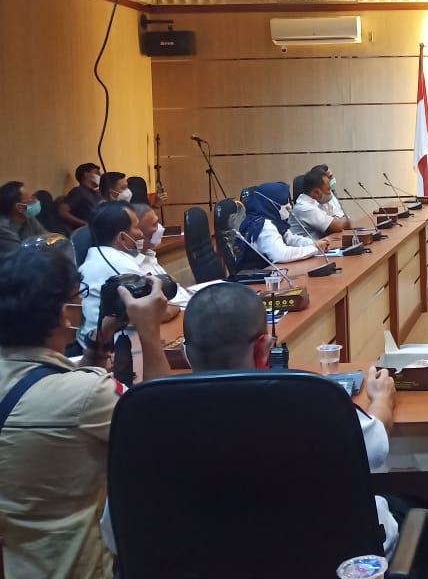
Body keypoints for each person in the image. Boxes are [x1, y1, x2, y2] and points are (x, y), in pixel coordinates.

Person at [97, 281, 403, 559]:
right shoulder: (310, 400)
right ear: (264, 347)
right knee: (405, 507)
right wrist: (380, 400)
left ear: (187, 354)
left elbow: (116, 536)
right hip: (320, 563)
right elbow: (375, 447)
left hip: (194, 567)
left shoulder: (145, 424)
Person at [0, 247, 170, 579]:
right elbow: (162, 425)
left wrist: (101, 339)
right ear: (64, 314)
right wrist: (149, 333)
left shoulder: (60, 388)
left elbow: (52, 386)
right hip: (74, 566)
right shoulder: (89, 395)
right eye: (79, 297)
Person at [78, 203, 181, 351]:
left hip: (103, 342)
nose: (141, 234)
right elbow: (160, 312)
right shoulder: (119, 265)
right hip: (110, 352)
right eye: (137, 227)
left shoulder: (97, 256)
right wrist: (176, 307)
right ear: (122, 237)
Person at [240, 181, 328, 264]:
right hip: (259, 273)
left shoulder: (275, 220)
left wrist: (314, 243)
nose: (289, 205)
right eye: (284, 202)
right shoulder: (263, 225)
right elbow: (281, 255)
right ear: (272, 203)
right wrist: (314, 249)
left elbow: (291, 239)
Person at [289, 168, 352, 238]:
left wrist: (341, 221)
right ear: (316, 192)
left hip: (321, 242)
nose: (330, 193)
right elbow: (337, 226)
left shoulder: (318, 202)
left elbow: (337, 220)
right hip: (308, 244)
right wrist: (346, 220)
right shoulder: (304, 208)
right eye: (328, 189)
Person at [0, 182, 47, 258]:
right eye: (30, 199)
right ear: (19, 207)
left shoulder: (29, 218)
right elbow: (21, 256)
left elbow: (48, 238)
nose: (36, 201)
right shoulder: (3, 228)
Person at [58, 163, 101, 229]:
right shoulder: (79, 191)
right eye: (97, 173)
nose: (100, 176)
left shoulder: (96, 194)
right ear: (86, 174)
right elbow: (62, 211)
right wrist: (85, 224)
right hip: (85, 231)